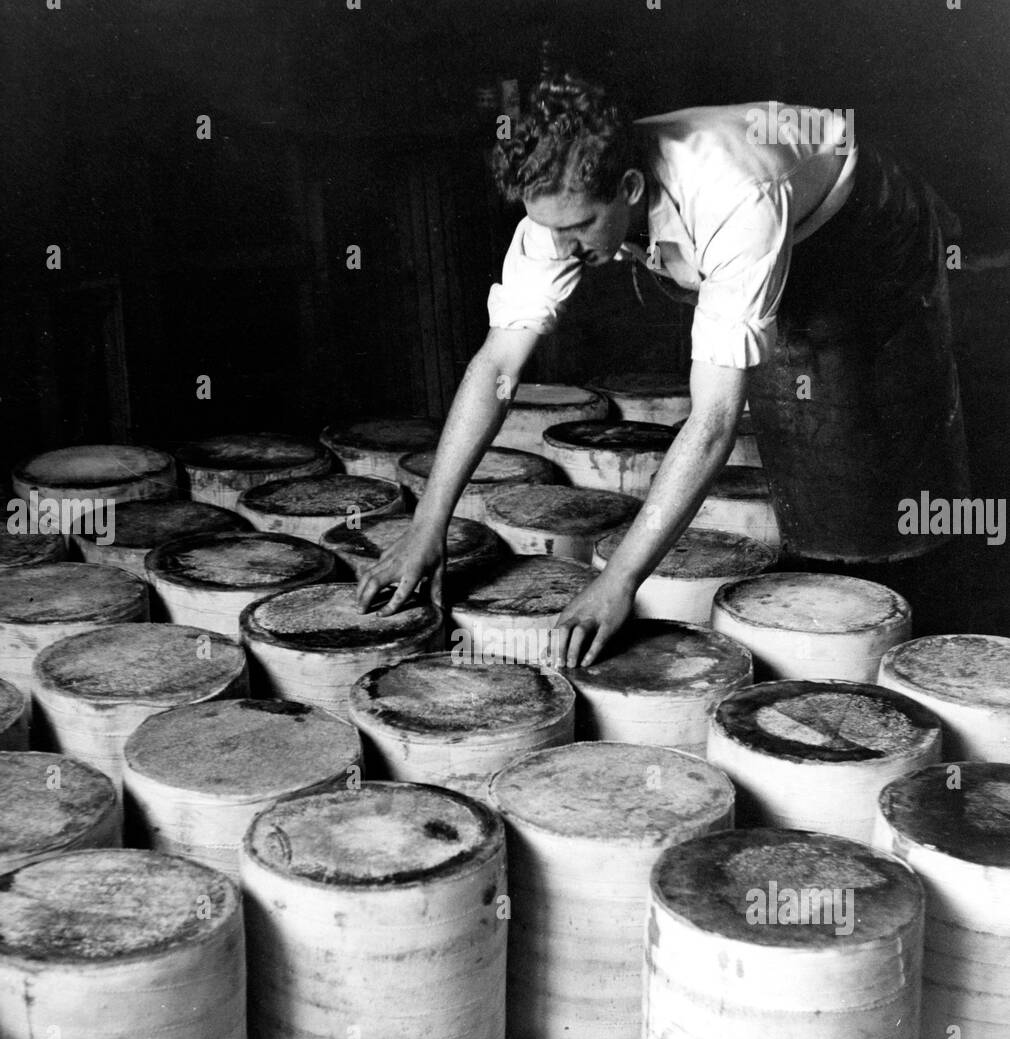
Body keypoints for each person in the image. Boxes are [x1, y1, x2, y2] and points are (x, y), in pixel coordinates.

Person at [356, 72, 969, 666]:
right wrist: (425, 526)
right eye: (549, 229)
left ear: (626, 189)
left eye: (577, 230)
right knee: (789, 424)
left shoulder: (735, 197)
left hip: (863, 231)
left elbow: (713, 419)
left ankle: (931, 620)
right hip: (746, 230)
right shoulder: (560, 203)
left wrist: (619, 580)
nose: (561, 247)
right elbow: (496, 364)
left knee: (867, 450)